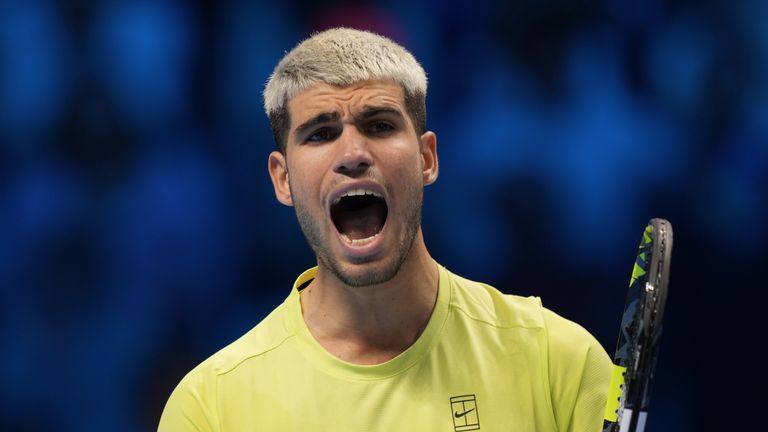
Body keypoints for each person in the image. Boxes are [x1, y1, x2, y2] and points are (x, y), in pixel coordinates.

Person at [159, 27, 611, 431]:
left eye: (379, 125)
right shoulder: (211, 408)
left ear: (426, 158)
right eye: (319, 134)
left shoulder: (558, 361)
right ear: (283, 179)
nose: (352, 152)